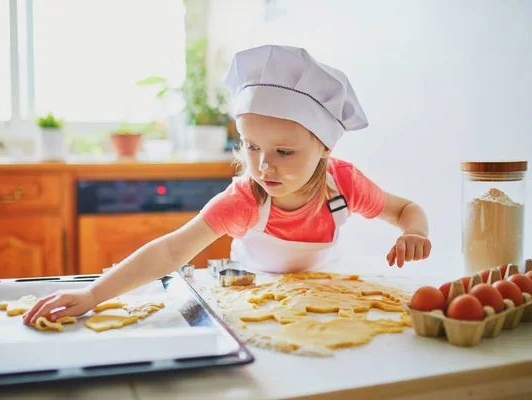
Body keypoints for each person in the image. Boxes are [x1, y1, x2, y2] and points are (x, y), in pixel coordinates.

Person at [23, 45, 431, 325]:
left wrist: (415, 232)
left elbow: (405, 209)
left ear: (324, 147)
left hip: (323, 305)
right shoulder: (245, 200)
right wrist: (93, 296)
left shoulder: (343, 185)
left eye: (284, 152)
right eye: (251, 146)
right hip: (255, 302)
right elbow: (170, 250)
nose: (264, 165)